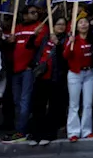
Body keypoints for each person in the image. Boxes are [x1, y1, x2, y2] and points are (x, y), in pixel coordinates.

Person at [0, 4, 42, 143]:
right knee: (17, 101)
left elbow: (38, 47)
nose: (33, 15)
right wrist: (6, 40)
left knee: (24, 101)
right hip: (16, 69)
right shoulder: (17, 28)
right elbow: (9, 42)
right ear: (24, 15)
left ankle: (21, 131)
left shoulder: (41, 27)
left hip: (28, 70)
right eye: (31, 12)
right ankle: (21, 127)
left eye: (35, 12)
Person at [27, 16, 67, 147]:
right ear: (53, 26)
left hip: (56, 78)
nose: (61, 27)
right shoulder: (45, 38)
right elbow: (29, 46)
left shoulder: (66, 39)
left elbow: (65, 57)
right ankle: (35, 133)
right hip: (41, 77)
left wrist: (58, 45)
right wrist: (34, 35)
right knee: (38, 106)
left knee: (53, 108)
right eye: (58, 24)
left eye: (63, 24)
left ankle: (49, 134)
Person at [64, 15, 93, 141]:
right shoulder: (73, 39)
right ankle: (73, 132)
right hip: (75, 74)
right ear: (76, 27)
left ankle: (86, 130)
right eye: (80, 23)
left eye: (85, 22)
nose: (83, 24)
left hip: (89, 73)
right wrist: (70, 43)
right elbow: (66, 55)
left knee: (88, 104)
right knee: (74, 104)